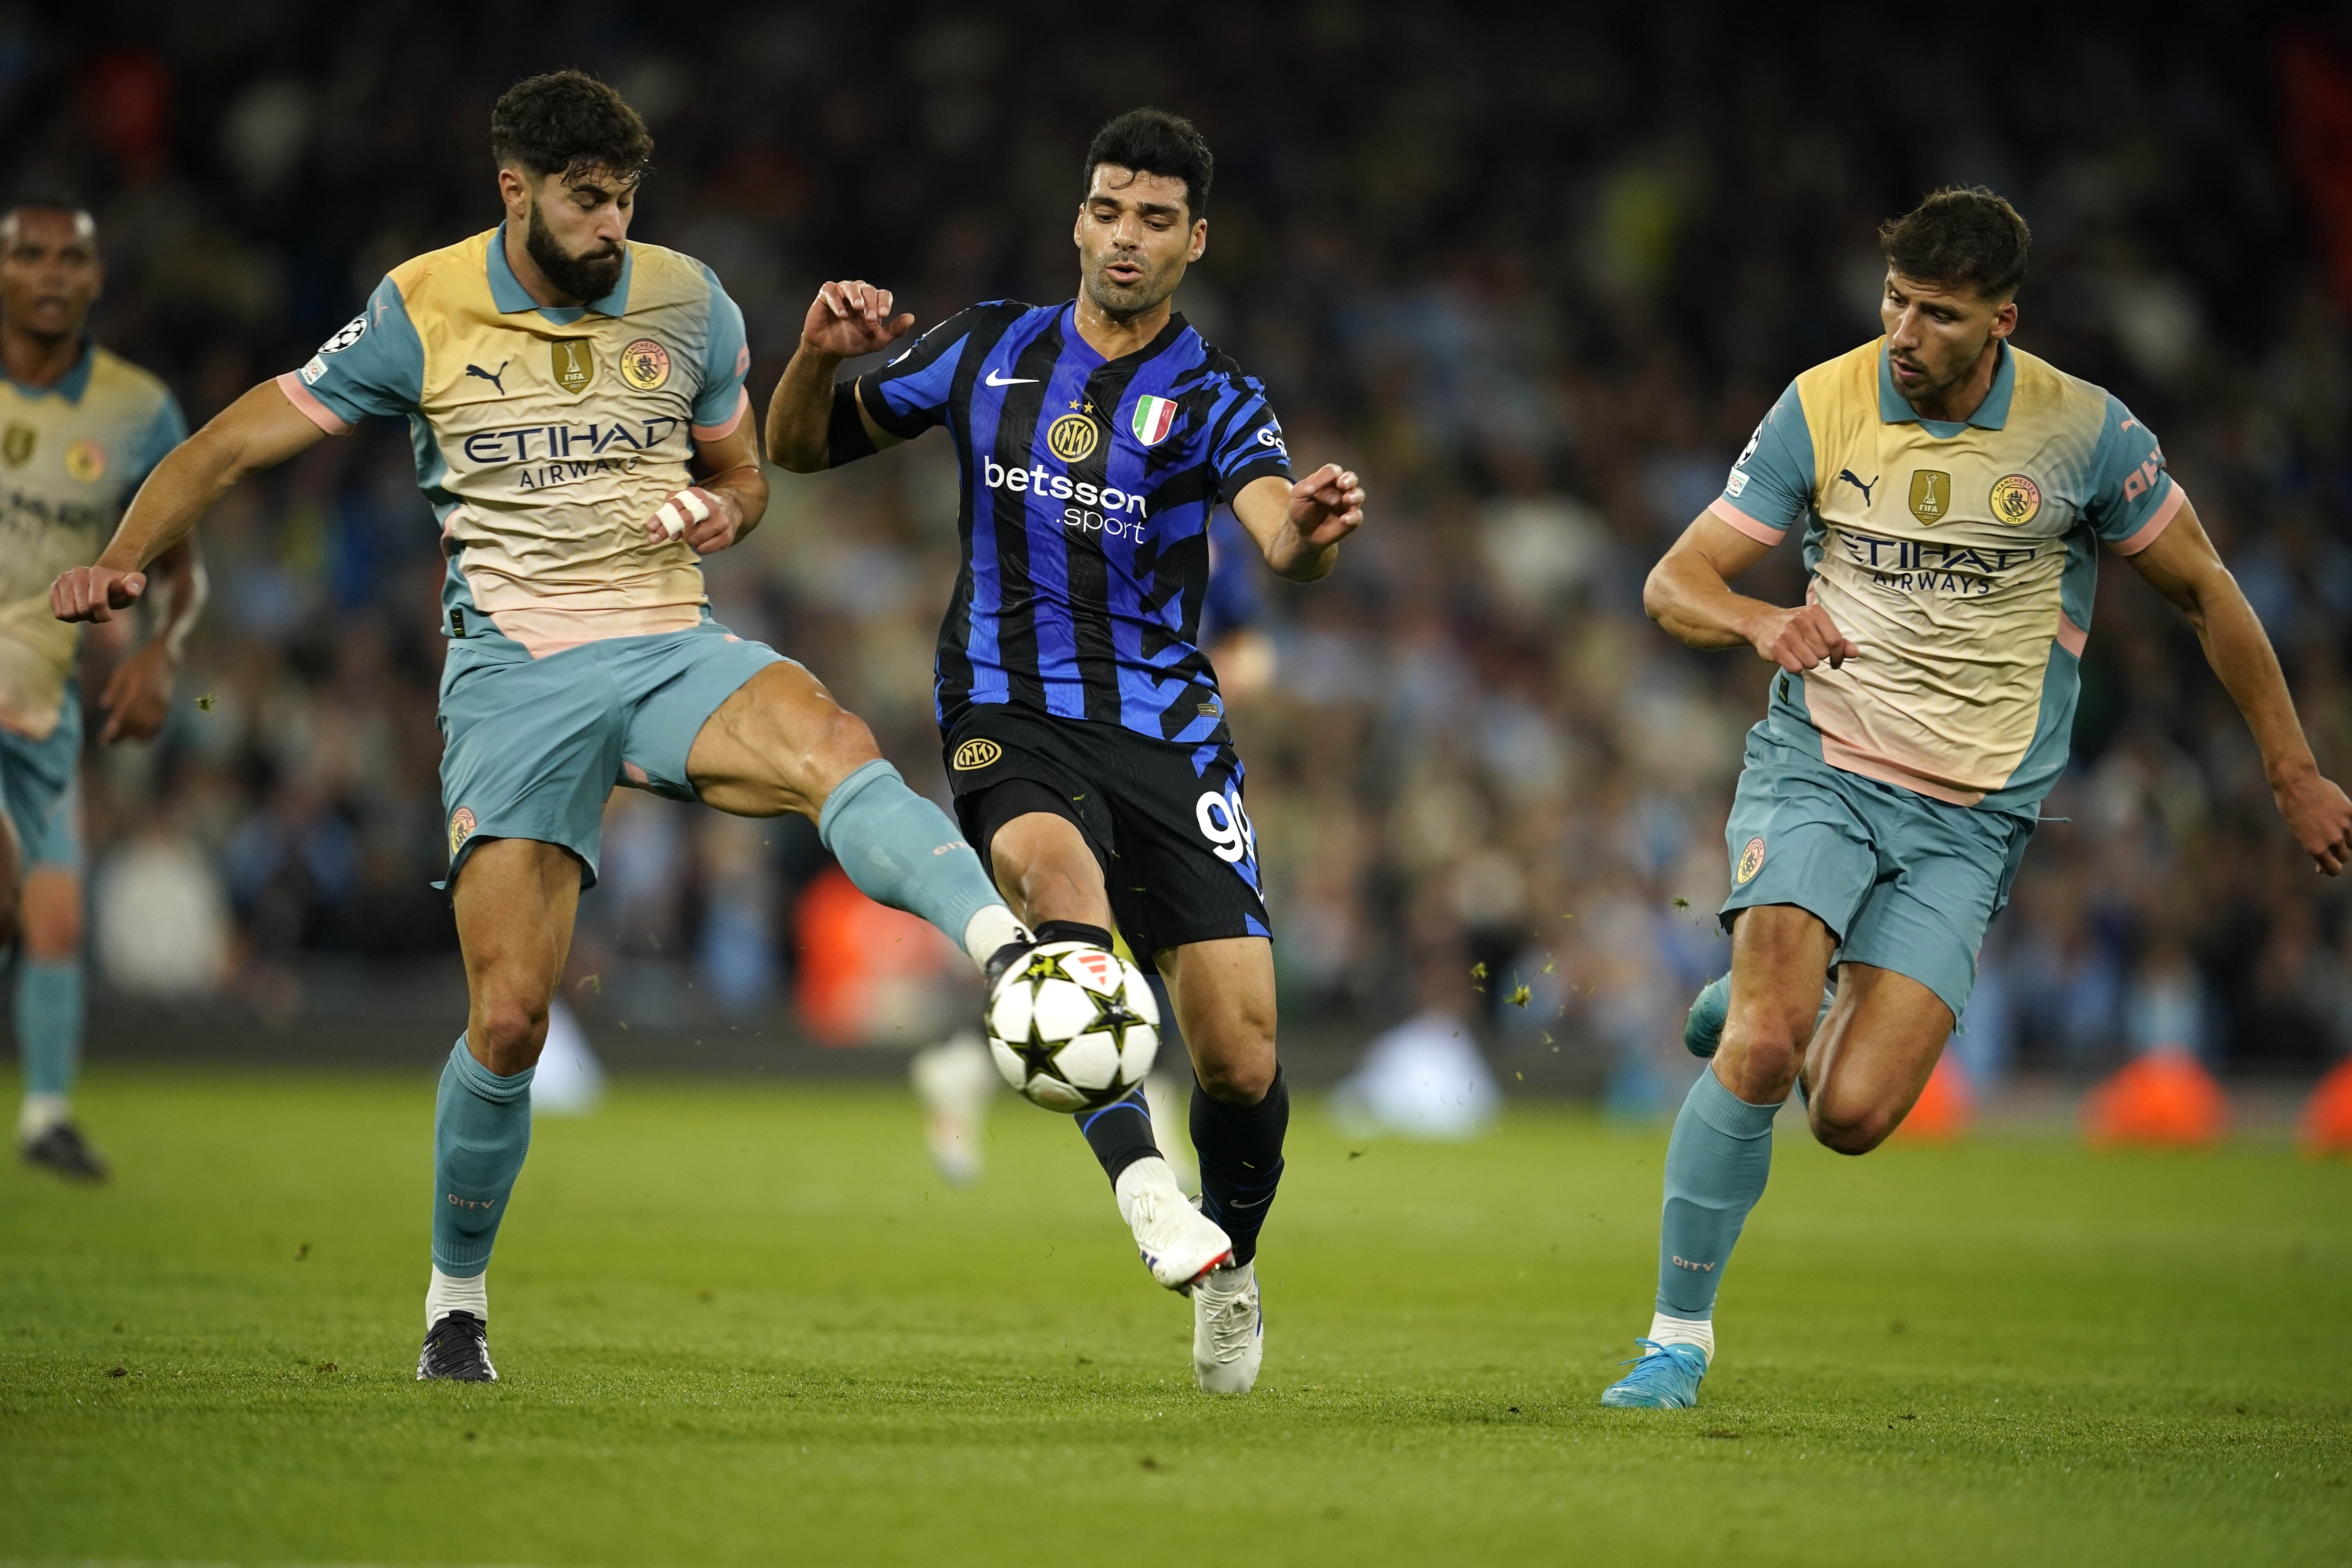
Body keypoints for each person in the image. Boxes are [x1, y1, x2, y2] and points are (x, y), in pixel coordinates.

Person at [50, 72, 1043, 1383]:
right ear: (513, 189)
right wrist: (126, 555)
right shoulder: (422, 305)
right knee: (512, 1017)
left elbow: (744, 477)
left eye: (626, 198)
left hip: (664, 640)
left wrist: (720, 515)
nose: (613, 223)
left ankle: (1013, 957)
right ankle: (455, 1301)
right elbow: (236, 443)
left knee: (837, 745)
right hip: (515, 678)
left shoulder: (692, 302)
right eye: (587, 199)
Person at [1602, 186, 2352, 1409]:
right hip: (1822, 767)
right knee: (1764, 1045)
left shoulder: (2086, 436)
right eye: (1894, 300)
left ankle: (1782, 974)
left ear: (2002, 318)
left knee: (1848, 1114)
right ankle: (1675, 1342)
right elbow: (1672, 581)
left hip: (1973, 817)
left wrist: (2291, 766)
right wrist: (1760, 619)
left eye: (1938, 314)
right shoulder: (1821, 404)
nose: (1904, 332)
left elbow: (2208, 591)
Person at [766, 107, 1367, 1394]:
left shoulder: (1217, 397)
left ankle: (1232, 1265)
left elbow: (1279, 540)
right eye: (1109, 210)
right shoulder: (987, 348)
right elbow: (796, 446)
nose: (1127, 238)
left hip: (1167, 735)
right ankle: (1147, 1188)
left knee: (1242, 1055)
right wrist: (815, 358)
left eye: (1157, 219)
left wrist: (1313, 526)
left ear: (1196, 240)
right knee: (1056, 894)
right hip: (1004, 710)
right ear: (1078, 221)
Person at [0, 194, 201, 1180]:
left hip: (44, 710)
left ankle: (44, 1114)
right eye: (29, 255)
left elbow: (185, 568)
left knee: (56, 921)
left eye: (67, 259)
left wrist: (162, 646)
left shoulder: (138, 409)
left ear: (94, 278)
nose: (49, 274)